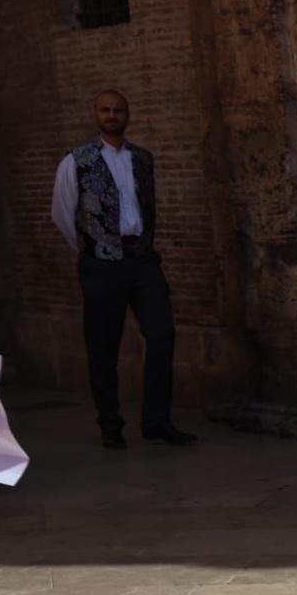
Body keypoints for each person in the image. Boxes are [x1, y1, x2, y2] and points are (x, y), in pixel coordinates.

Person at [50, 89, 194, 449]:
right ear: (96, 114)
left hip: (143, 260)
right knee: (103, 346)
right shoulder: (77, 160)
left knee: (162, 334)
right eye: (105, 110)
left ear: (127, 115)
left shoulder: (143, 159)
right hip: (101, 263)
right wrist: (91, 249)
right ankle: (110, 424)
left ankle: (157, 420)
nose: (112, 116)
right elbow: (62, 213)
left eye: (118, 111)